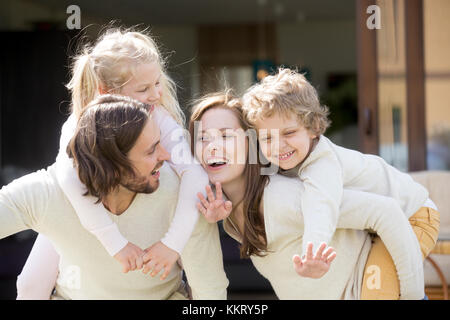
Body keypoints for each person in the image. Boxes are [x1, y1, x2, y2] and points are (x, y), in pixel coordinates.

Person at [17, 27, 209, 299]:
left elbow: (194, 174)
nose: (155, 94)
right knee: (29, 284)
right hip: (78, 213)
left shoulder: (159, 117)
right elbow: (70, 183)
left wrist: (172, 245)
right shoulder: (78, 124)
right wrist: (115, 244)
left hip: (141, 216)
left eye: (157, 83)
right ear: (106, 90)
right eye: (143, 88)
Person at [190, 91, 426, 299]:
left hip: (367, 285)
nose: (212, 146)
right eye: (203, 138)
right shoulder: (228, 210)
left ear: (253, 144)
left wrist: (414, 296)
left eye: (225, 135)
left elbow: (385, 211)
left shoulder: (281, 197)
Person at [1, 95, 228, 300]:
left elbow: (209, 289)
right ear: (113, 165)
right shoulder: (50, 192)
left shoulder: (183, 195)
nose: (166, 155)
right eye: (151, 150)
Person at [240, 68, 440, 299]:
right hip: (381, 224)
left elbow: (320, 207)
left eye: (289, 132)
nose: (278, 146)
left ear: (313, 128)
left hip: (415, 216)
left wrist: (312, 252)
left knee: (388, 294)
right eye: (267, 138)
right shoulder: (290, 160)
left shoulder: (322, 164)